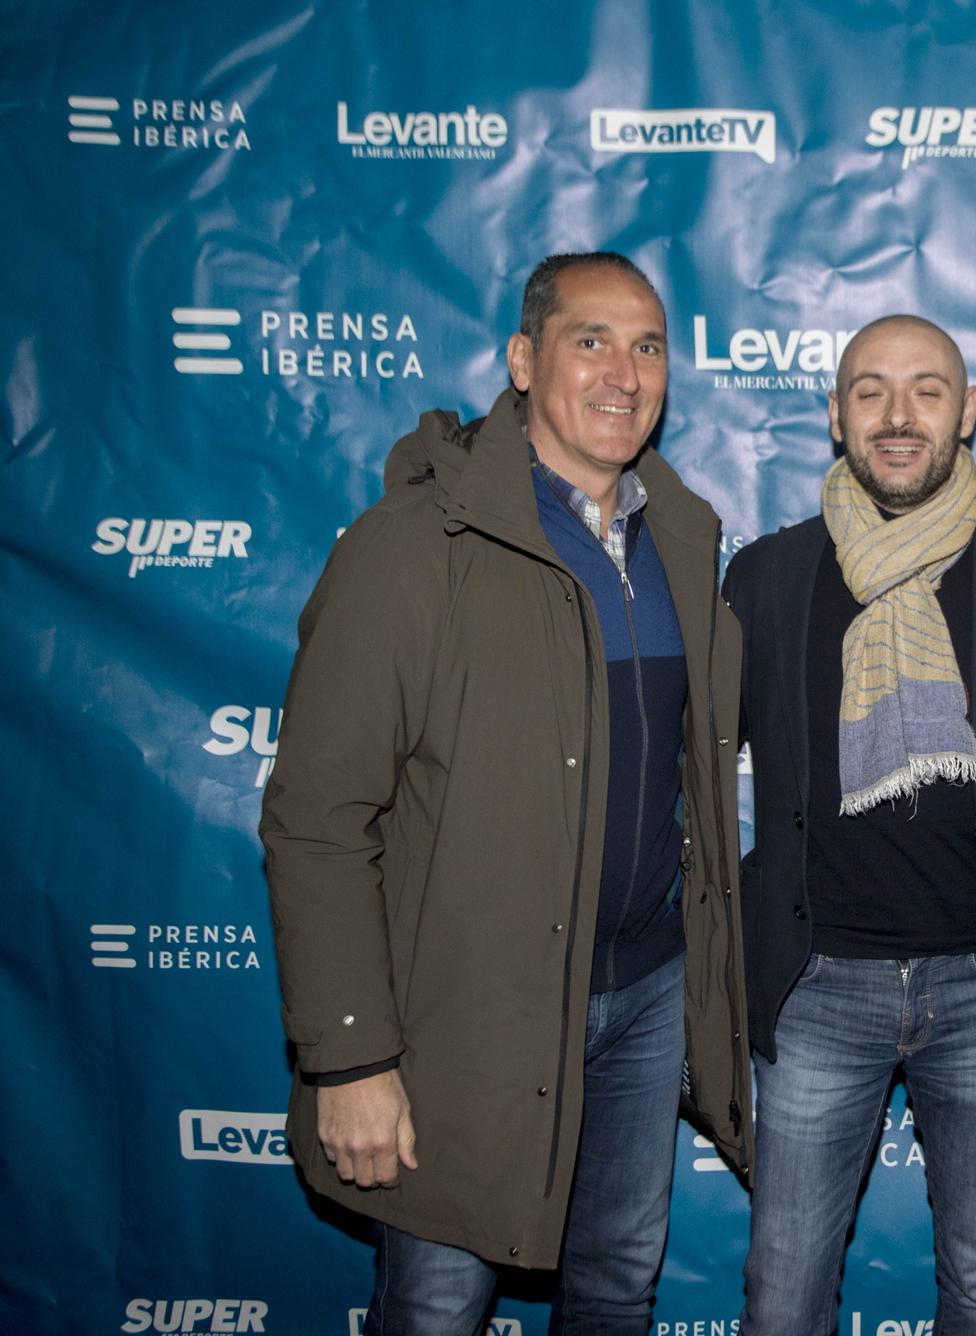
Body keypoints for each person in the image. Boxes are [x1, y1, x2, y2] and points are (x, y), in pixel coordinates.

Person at [261, 251, 750, 1335]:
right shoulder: (415, 548)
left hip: (644, 1000)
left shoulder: (678, 539)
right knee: (438, 1307)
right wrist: (349, 1054)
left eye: (648, 347)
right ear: (523, 360)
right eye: (591, 341)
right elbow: (317, 816)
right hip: (467, 1021)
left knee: (617, 1289)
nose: (624, 373)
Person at [722, 314, 976, 1335]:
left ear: (967, 410)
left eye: (927, 390)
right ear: (834, 414)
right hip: (814, 987)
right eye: (870, 390)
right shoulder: (764, 578)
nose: (899, 416)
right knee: (782, 1291)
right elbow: (690, 769)